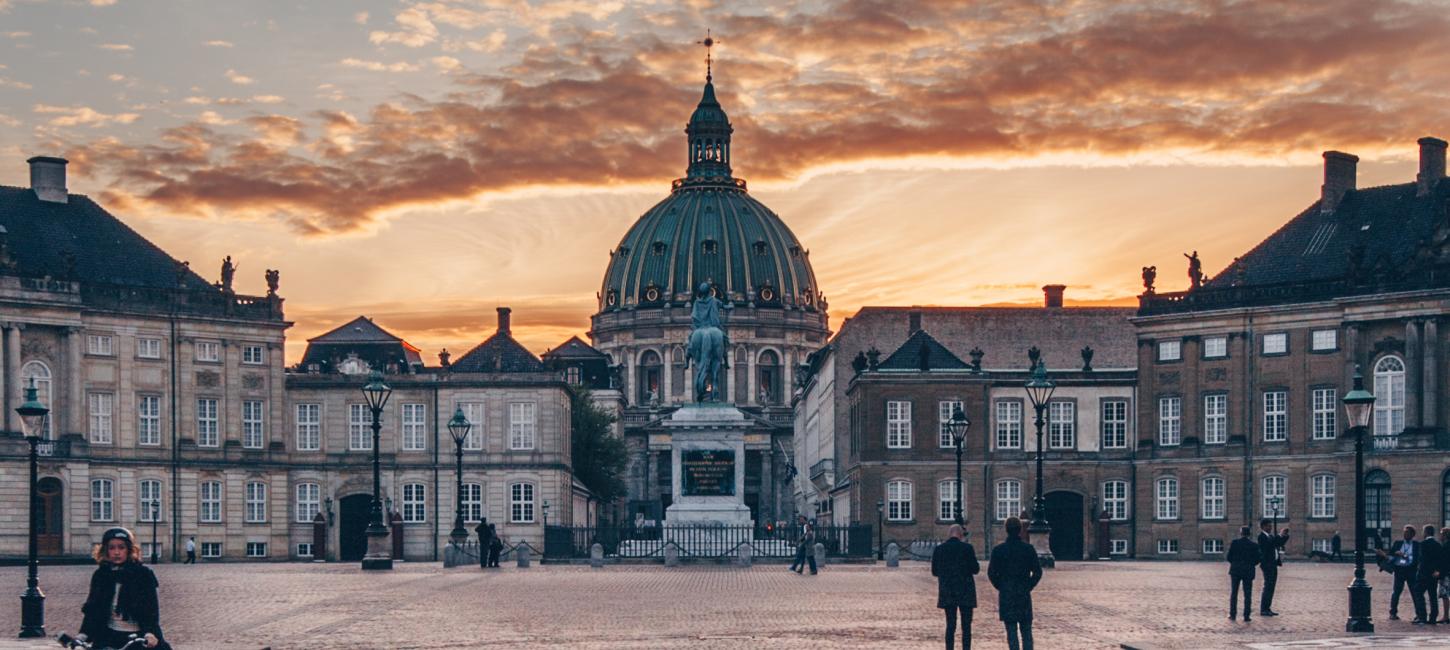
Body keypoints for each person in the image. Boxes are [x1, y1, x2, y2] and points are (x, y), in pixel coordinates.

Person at [77, 527, 170, 649]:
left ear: (129, 550)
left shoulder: (142, 574)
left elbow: (151, 609)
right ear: (105, 551)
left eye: (121, 547)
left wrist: (150, 633)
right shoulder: (101, 574)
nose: (116, 552)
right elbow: (93, 608)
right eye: (112, 548)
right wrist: (83, 634)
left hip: (137, 636)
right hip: (109, 635)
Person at [988, 517, 1042, 650]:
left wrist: (1001, 586)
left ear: (1006, 530)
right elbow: (1037, 572)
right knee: (1026, 632)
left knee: (1011, 632)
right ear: (1020, 530)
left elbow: (991, 573)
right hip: (1023, 593)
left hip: (1007, 594)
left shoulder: (998, 550)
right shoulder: (1028, 549)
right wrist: (1028, 586)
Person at [932, 524, 979, 650]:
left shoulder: (940, 549)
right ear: (960, 535)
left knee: (950, 625)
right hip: (966, 591)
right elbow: (975, 569)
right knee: (966, 626)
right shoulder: (967, 548)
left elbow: (934, 571)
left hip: (948, 591)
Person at [1377, 524, 1422, 621]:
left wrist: (1404, 555)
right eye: (1404, 532)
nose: (1405, 534)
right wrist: (1384, 556)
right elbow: (1391, 556)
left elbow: (1417, 559)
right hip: (1399, 570)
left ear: (1412, 534)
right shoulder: (1398, 543)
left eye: (1407, 533)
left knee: (1414, 593)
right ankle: (1393, 613)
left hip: (1411, 571)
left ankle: (1419, 614)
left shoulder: (1416, 545)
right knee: (1396, 592)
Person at [1257, 518, 1290, 616]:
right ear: (1263, 527)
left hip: (1273, 564)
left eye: (1271, 525)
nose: (1271, 527)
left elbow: (1278, 543)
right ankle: (1263, 609)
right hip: (1267, 565)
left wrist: (1284, 535)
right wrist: (1279, 535)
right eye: (1269, 526)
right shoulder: (1262, 537)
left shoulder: (1270, 536)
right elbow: (1269, 545)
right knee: (1268, 587)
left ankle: (1267, 608)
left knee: (1271, 587)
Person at [1226, 526, 1258, 621]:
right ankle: (1246, 616)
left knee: (1234, 593)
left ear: (1241, 533)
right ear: (1249, 534)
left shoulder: (1235, 543)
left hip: (1236, 570)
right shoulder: (1254, 545)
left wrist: (1235, 563)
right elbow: (1258, 559)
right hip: (1248, 570)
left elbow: (1229, 557)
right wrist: (1251, 564)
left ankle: (1233, 614)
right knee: (1248, 594)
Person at [1418, 524, 1441, 625]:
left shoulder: (1423, 544)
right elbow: (1440, 560)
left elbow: (1422, 560)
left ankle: (1422, 616)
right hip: (1433, 574)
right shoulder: (1438, 545)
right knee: (1433, 596)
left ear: (1426, 532)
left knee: (1418, 593)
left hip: (1424, 574)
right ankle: (1433, 618)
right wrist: (1436, 570)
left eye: (1423, 531)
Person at [1439, 527, 1450, 624]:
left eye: (1441, 534)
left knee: (1445, 595)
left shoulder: (1445, 546)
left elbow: (1444, 562)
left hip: (1446, 575)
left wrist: (1440, 573)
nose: (1440, 536)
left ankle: (1446, 616)